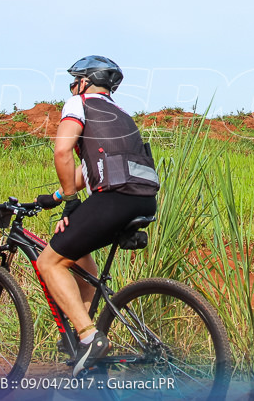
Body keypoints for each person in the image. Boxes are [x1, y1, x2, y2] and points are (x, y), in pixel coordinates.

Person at [34, 56, 159, 376]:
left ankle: (90, 338)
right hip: (143, 200)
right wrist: (60, 195)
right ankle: (83, 347)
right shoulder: (120, 113)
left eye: (75, 80)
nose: (73, 86)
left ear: (86, 82)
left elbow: (62, 151)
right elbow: (93, 168)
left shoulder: (78, 103)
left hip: (114, 199)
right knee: (79, 263)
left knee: (49, 262)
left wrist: (72, 203)